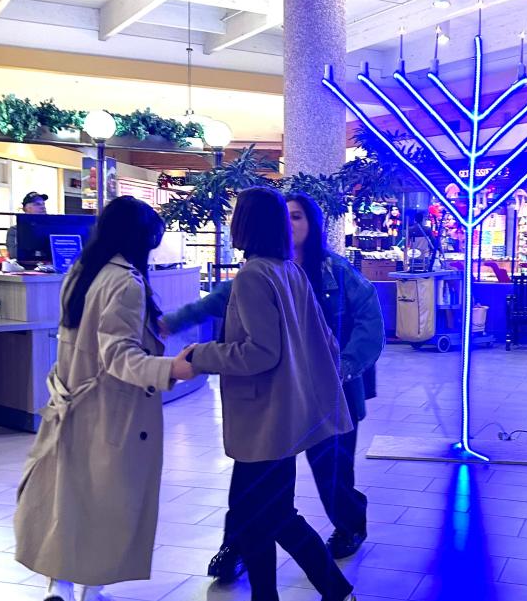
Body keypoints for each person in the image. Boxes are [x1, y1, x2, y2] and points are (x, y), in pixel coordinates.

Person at [162, 191, 385, 576]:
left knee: (331, 473)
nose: (290, 222)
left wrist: (344, 367)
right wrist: (168, 323)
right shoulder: (264, 271)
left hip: (331, 391)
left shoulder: (331, 271)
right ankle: (236, 546)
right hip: (274, 397)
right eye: (286, 216)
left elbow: (369, 324)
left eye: (297, 216)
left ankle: (349, 526)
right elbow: (211, 303)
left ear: (311, 225)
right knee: (253, 479)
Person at [184, 186, 361, 601]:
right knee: (253, 514)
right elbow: (322, 340)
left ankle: (336, 598)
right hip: (284, 417)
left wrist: (200, 355)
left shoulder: (253, 277)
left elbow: (260, 353)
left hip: (263, 418)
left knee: (272, 514)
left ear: (245, 224)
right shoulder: (290, 272)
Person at [14, 197, 194, 601]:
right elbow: (118, 356)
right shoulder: (126, 283)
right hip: (113, 412)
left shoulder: (82, 271)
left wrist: (153, 325)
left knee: (73, 499)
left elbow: (91, 337)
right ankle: (86, 592)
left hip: (70, 400)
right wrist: (171, 369)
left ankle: (67, 589)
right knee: (113, 503)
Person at [5, 190, 48, 260]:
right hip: (26, 267)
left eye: (43, 204)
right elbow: (14, 254)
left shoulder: (51, 228)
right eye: (37, 204)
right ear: (26, 208)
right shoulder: (15, 230)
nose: (43, 207)